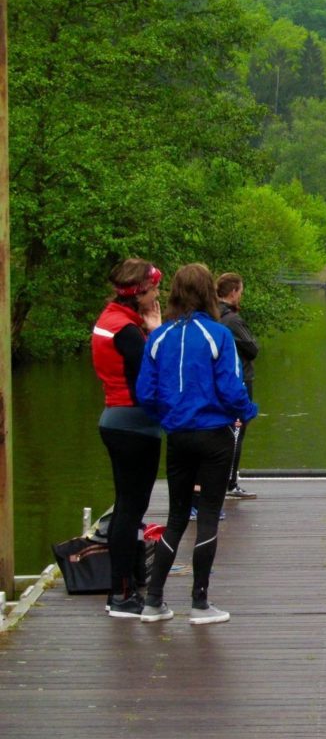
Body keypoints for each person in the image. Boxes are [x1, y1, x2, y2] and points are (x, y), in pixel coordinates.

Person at [136, 263, 258, 625]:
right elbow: (233, 389)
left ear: (173, 293)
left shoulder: (159, 338)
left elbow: (145, 393)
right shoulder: (218, 334)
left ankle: (153, 601)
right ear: (209, 293)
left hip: (177, 436)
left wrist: (169, 417)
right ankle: (200, 604)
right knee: (207, 518)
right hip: (215, 436)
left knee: (175, 517)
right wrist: (248, 411)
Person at [91, 258, 163, 618]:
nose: (159, 294)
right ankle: (120, 595)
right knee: (130, 509)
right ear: (140, 294)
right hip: (135, 426)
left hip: (115, 419)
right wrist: (158, 331)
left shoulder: (111, 320)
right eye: (154, 289)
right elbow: (155, 379)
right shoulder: (129, 332)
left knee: (127, 507)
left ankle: (128, 583)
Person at [217, 272, 259, 500]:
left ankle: (217, 481)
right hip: (240, 380)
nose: (241, 295)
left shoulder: (211, 315)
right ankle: (230, 483)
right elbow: (253, 349)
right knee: (237, 432)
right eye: (241, 291)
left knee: (222, 432)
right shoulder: (232, 320)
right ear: (233, 292)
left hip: (218, 382)